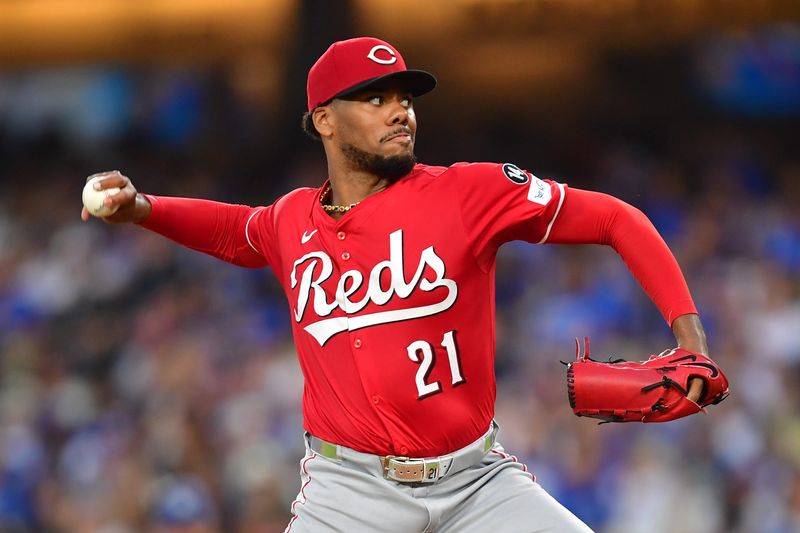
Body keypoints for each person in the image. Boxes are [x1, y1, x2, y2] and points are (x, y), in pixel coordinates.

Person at [81, 37, 711, 532]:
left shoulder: (468, 192)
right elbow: (234, 230)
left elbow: (615, 218)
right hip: (348, 494)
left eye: (404, 98)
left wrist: (692, 340)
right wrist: (144, 208)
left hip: (477, 483)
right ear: (325, 120)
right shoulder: (291, 220)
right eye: (375, 98)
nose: (399, 111)